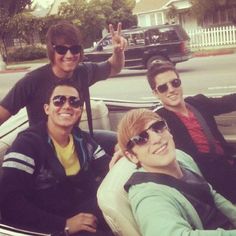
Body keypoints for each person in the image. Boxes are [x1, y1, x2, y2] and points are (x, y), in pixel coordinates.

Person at [0, 81, 113, 236]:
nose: (67, 106)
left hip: (85, 212)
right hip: (48, 226)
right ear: (47, 108)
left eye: (74, 102)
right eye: (59, 100)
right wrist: (64, 225)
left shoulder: (83, 140)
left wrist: (126, 153)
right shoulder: (27, 145)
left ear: (79, 110)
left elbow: (109, 167)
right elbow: (8, 203)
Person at [117, 108, 236, 236]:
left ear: (169, 130)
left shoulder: (181, 157)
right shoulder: (149, 197)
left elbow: (211, 194)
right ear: (132, 156)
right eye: (140, 138)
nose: (157, 138)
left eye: (158, 127)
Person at [0, 20, 127, 126]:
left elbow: (114, 67)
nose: (69, 55)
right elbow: (2, 113)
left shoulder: (83, 72)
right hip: (42, 146)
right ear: (51, 51)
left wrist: (118, 51)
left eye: (75, 49)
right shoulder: (32, 81)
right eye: (61, 49)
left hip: (73, 139)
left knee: (119, 143)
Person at [146, 61, 236, 202]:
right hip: (206, 179)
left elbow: (229, 101)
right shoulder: (158, 118)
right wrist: (121, 149)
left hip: (227, 163)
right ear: (156, 93)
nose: (171, 90)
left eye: (175, 82)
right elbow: (136, 134)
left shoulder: (198, 102)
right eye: (163, 88)